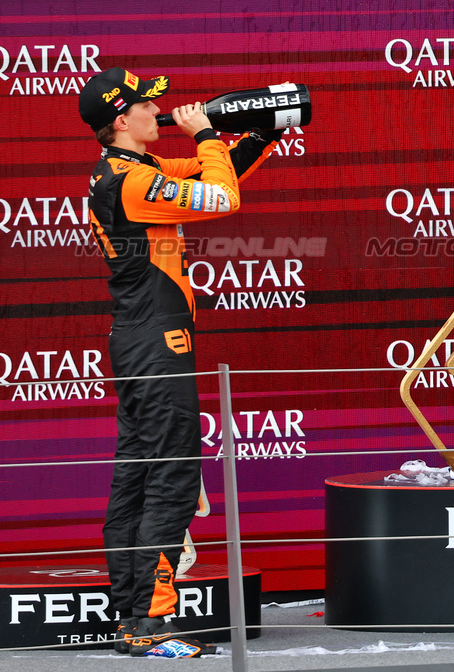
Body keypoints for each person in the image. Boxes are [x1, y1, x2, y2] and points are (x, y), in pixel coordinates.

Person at [80, 67, 280, 658]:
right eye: (148, 106)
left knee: (138, 476)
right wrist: (206, 136)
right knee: (168, 476)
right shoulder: (131, 182)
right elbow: (220, 197)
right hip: (156, 340)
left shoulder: (130, 171)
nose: (158, 112)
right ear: (123, 120)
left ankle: (131, 618)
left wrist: (258, 135)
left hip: (140, 336)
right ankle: (153, 622)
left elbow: (207, 175)